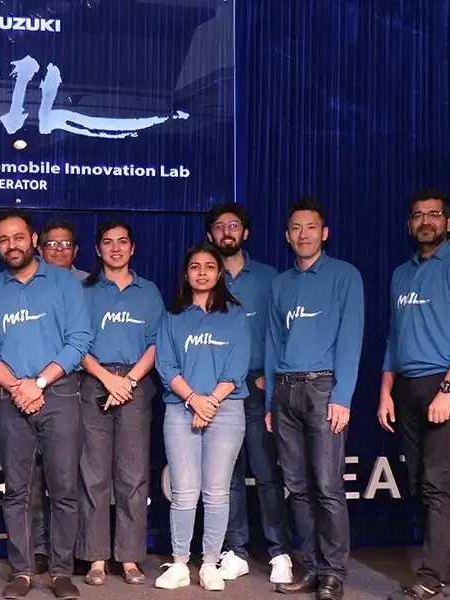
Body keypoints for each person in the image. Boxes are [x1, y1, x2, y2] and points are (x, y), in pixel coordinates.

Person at [0, 209, 92, 600]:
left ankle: (60, 572)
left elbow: (79, 340)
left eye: (18, 237)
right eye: (3, 239)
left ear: (33, 239)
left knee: (64, 488)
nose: (12, 245)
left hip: (59, 394)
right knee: (17, 491)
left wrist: (38, 383)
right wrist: (17, 386)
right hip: (10, 397)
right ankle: (22, 571)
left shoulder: (64, 283)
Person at [378, 190, 450, 600]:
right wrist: (385, 391)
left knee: (438, 482)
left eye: (434, 215)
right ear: (409, 224)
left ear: (448, 223)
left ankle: (430, 578)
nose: (426, 221)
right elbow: (394, 337)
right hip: (407, 388)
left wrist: (448, 389)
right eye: (418, 215)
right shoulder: (401, 274)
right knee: (421, 484)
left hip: (447, 387)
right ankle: (448, 579)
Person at [265, 197, 364, 600]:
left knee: (327, 486)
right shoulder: (280, 284)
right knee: (297, 486)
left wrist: (343, 396)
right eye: (296, 228)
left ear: (324, 233)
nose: (303, 234)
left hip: (324, 389)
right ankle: (312, 567)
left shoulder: (345, 275)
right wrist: (270, 401)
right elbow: (272, 343)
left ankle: (334, 574)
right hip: (285, 390)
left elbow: (351, 338)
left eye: (310, 227)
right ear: (287, 236)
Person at [203, 202, 293, 584]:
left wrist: (269, 379)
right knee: (227, 477)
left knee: (267, 473)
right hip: (218, 391)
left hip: (257, 387)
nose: (227, 232)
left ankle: (279, 552)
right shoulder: (205, 277)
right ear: (210, 235)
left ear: (245, 232)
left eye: (234, 225)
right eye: (219, 226)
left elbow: (282, 334)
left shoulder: (270, 279)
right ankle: (234, 550)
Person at [153, 244, 249, 592]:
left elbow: (236, 368)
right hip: (181, 410)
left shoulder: (235, 315)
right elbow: (166, 366)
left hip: (226, 410)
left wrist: (209, 404)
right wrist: (194, 401)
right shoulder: (172, 317)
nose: (203, 272)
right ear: (186, 273)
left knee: (217, 492)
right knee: (183, 492)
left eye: (210, 266)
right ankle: (180, 563)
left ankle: (209, 563)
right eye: (195, 267)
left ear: (219, 273)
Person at [75, 219, 162, 587]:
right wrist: (107, 378)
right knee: (93, 475)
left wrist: (128, 381)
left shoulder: (149, 291)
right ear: (98, 250)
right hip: (93, 381)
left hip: (135, 385)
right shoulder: (84, 291)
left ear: (132, 248)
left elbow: (156, 343)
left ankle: (128, 558)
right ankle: (96, 558)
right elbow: (75, 341)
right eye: (108, 242)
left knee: (133, 475)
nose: (115, 248)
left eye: (122, 241)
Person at [30, 217, 87, 572]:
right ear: (40, 248)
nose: (59, 250)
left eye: (65, 244)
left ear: (76, 250)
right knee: (34, 477)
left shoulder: (88, 284)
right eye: (52, 244)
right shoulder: (26, 283)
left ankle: (72, 550)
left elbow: (82, 339)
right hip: (31, 389)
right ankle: (38, 549)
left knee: (71, 477)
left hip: (76, 387)